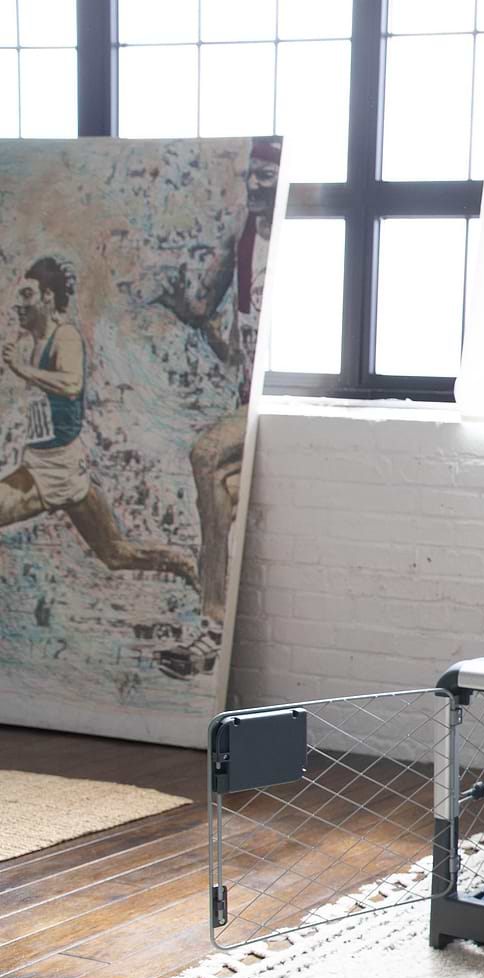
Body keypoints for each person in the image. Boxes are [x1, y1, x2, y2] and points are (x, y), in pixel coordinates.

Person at [150, 136, 281, 679]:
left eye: (265, 178)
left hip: (275, 401)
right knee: (222, 497)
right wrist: (183, 304)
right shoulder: (245, 236)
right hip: (245, 398)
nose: (254, 186)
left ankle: (212, 623)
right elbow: (210, 310)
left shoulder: (293, 247)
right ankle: (213, 635)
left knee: (205, 456)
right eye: (251, 176)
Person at [1, 256, 199, 590]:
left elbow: (71, 384)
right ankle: (180, 561)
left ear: (48, 297)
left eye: (27, 295)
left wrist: (22, 370)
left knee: (115, 553)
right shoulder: (27, 343)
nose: (18, 305)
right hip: (42, 461)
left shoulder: (63, 337)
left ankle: (184, 562)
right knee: (115, 554)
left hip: (58, 469)